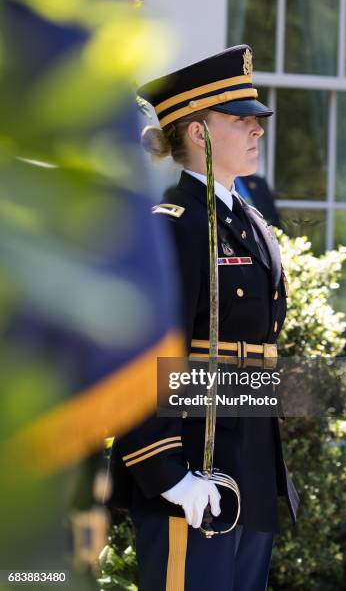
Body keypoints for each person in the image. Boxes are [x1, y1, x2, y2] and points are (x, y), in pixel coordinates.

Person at [110, 44, 299, 591]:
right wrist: (169, 475)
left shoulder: (254, 224)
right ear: (198, 133)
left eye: (257, 120)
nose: (257, 130)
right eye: (241, 121)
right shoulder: (176, 225)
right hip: (196, 465)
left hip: (251, 465)